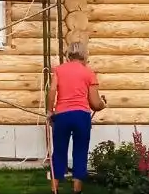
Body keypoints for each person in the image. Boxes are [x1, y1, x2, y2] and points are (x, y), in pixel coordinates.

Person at [47, 42, 106, 194]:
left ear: (69, 54)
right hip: (81, 116)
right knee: (80, 151)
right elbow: (95, 103)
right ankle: (76, 190)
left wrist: (49, 111)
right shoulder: (89, 73)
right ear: (85, 55)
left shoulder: (59, 70)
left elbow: (52, 92)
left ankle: (54, 189)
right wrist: (103, 104)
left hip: (62, 115)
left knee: (59, 151)